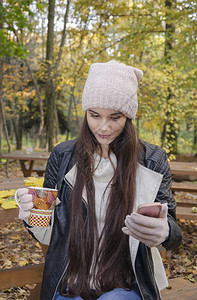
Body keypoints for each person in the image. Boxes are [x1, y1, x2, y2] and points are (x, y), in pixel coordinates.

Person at [17, 60, 182, 300]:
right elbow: (47, 231)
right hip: (69, 280)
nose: (103, 127)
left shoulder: (152, 160)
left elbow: (174, 232)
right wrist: (33, 215)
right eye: (94, 115)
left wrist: (164, 231)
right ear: (85, 112)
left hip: (125, 282)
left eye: (114, 117)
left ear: (128, 116)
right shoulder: (62, 156)